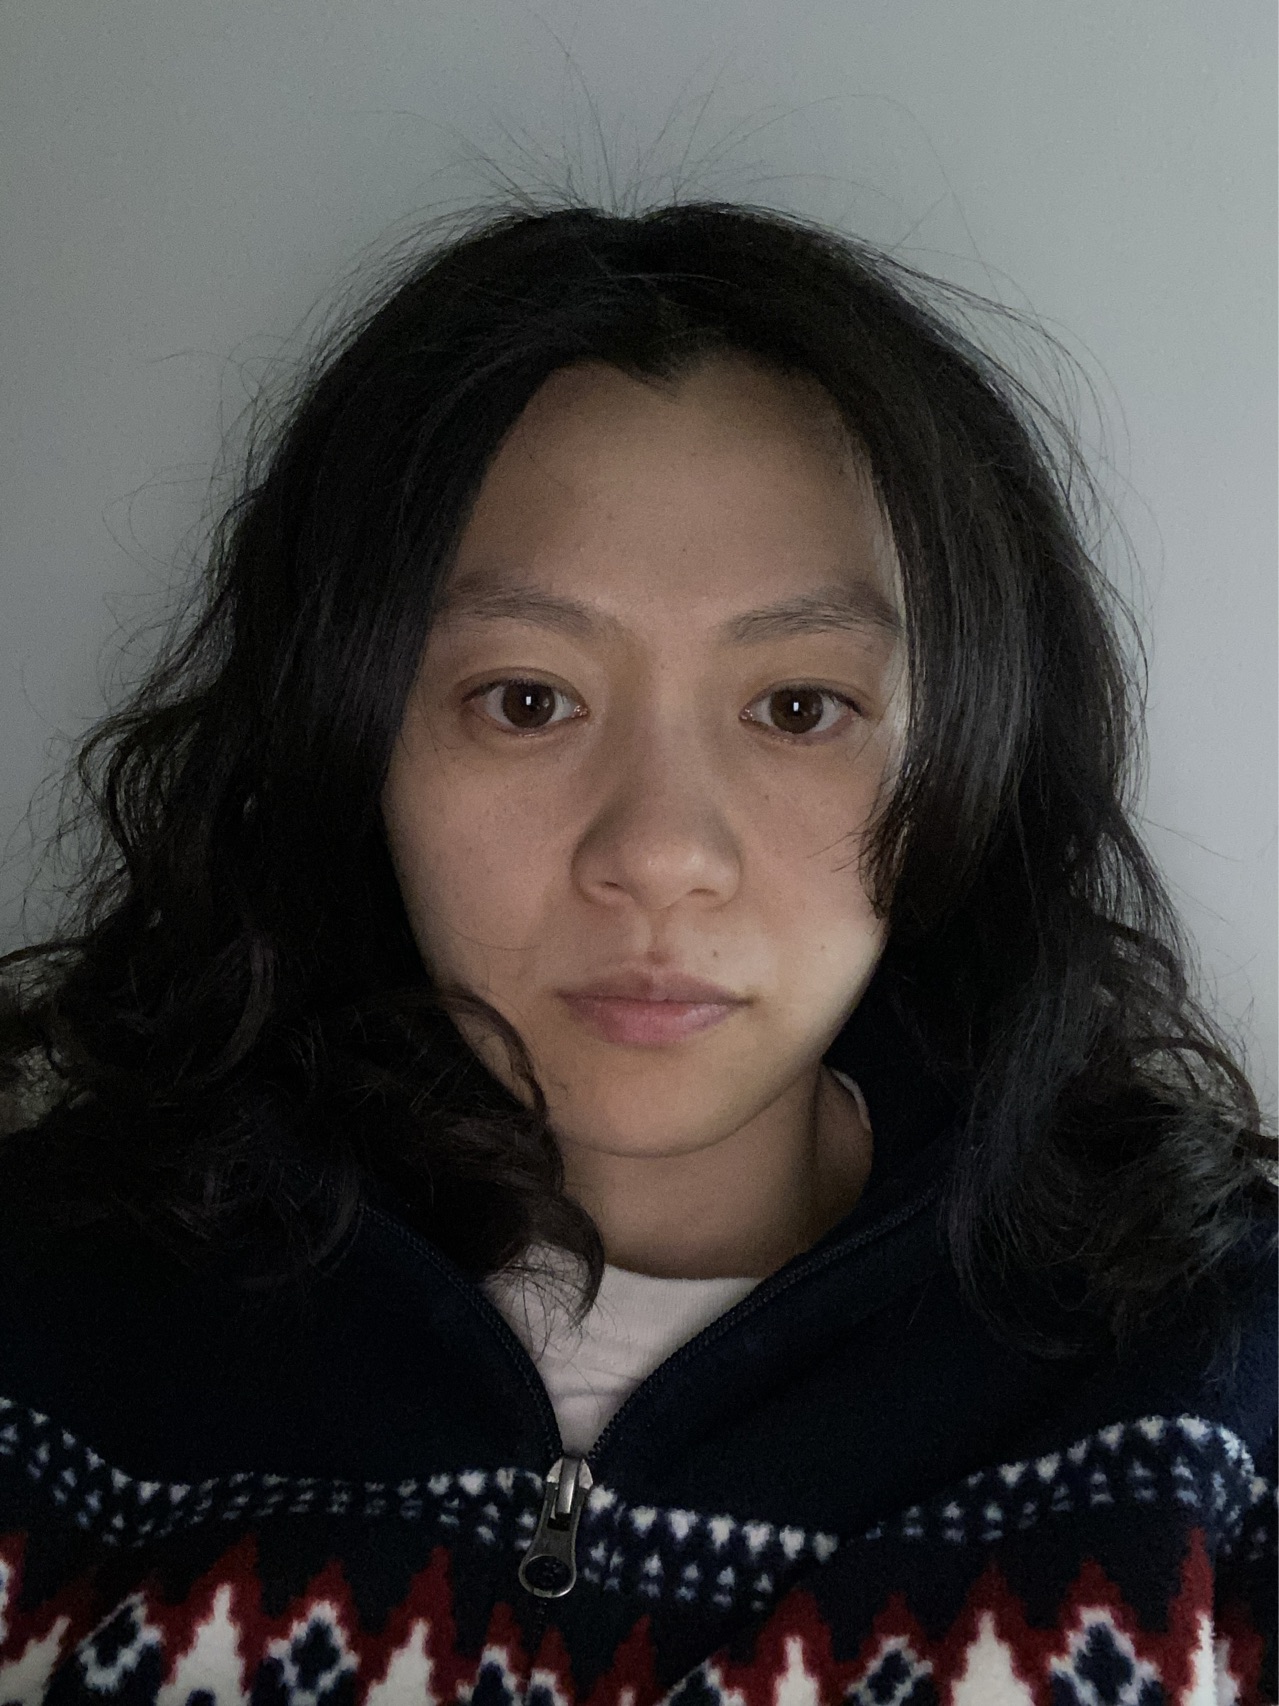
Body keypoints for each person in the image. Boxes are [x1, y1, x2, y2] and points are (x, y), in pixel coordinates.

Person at [0, 200, 1273, 1704]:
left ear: (969, 759)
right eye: (526, 700)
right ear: (351, 740)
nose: (661, 850)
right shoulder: (49, 1331)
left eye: (799, 708)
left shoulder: (1213, 1377)